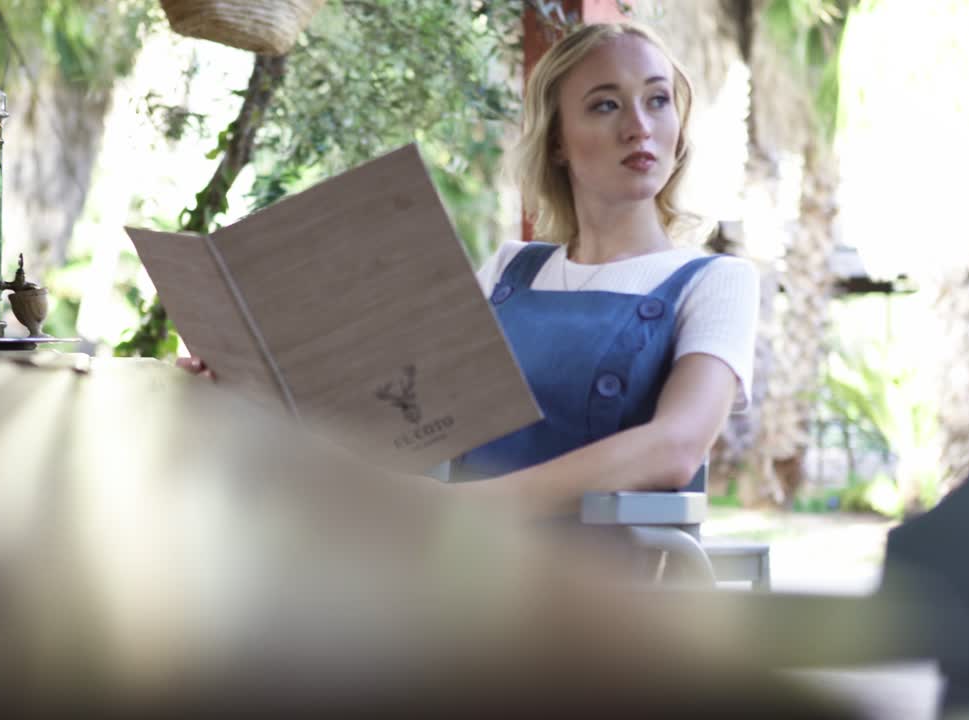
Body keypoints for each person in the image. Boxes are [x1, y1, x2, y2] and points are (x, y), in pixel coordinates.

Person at [180, 21, 758, 518]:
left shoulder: (715, 282)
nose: (639, 125)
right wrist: (249, 379)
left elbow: (676, 446)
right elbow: (397, 408)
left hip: (599, 588)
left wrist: (469, 510)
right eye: (606, 104)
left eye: (657, 99)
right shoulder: (512, 271)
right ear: (557, 141)